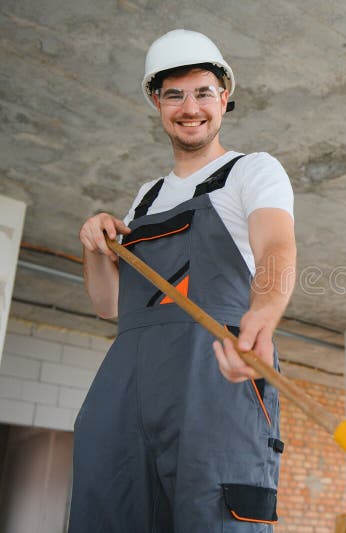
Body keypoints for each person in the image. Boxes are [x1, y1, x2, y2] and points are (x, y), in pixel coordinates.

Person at [71, 29, 296, 532]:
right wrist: (95, 248)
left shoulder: (251, 171)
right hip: (128, 387)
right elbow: (110, 306)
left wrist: (262, 314)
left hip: (215, 375)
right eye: (174, 94)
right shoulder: (146, 197)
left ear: (224, 97)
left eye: (203, 92)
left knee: (212, 517)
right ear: (157, 101)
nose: (189, 107)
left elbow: (276, 246)